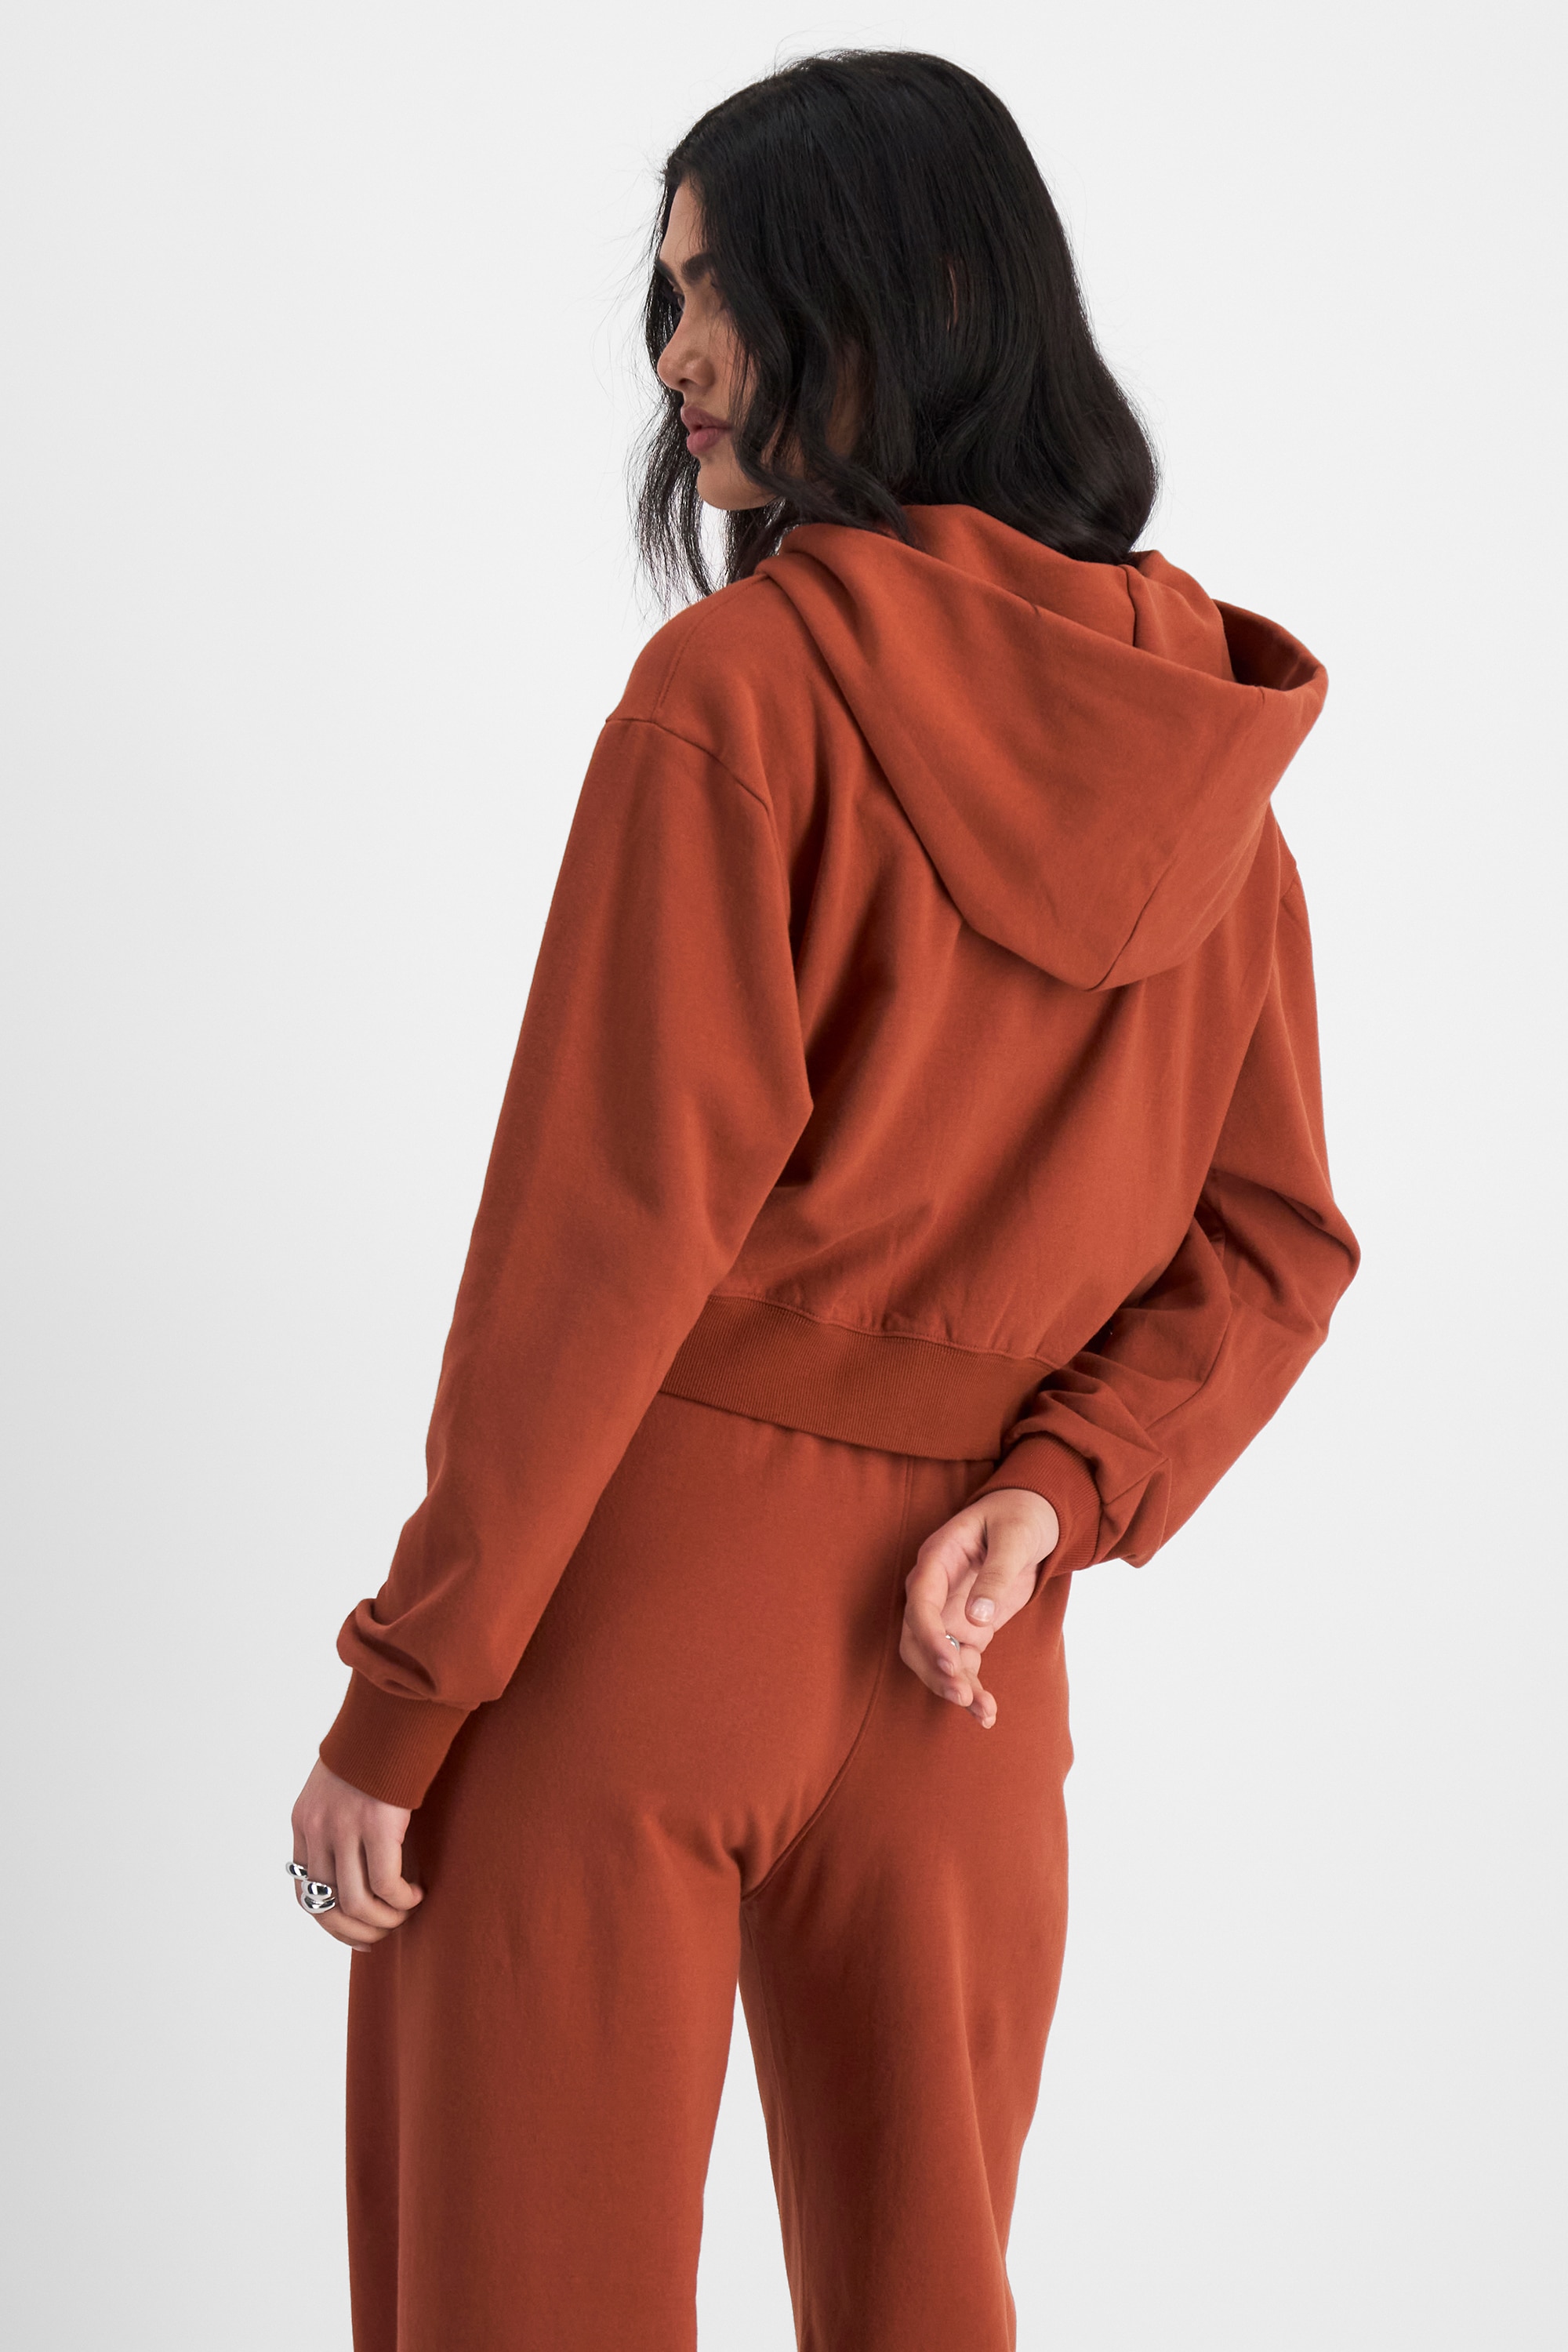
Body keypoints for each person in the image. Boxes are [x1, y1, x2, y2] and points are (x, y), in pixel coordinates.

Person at [289, 48, 1359, 2352]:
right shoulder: (1210, 765)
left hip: (642, 1600)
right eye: (666, 297)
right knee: (924, 2301)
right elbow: (1274, 1246)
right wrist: (1055, 1494)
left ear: (887, 300)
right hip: (972, 1645)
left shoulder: (740, 692)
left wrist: (406, 1692)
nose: (677, 354)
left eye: (722, 291)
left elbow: (598, 1244)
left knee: (520, 2299)